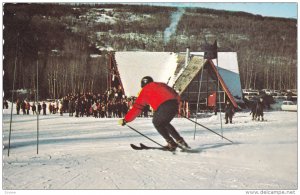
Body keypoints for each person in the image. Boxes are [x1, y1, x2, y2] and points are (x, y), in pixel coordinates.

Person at [118, 76, 189, 151]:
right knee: (164, 122)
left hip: (163, 107)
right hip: (174, 104)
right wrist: (175, 106)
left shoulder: (144, 91)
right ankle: (181, 141)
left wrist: (126, 120)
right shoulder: (162, 84)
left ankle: (171, 143)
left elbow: (137, 108)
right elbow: (175, 94)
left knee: (156, 122)